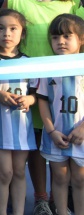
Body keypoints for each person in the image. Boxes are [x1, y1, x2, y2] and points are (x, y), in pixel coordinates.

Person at [6, 0, 81, 215]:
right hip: (26, 85)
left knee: (68, 144)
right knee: (36, 144)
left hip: (66, 87)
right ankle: (41, 198)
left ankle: (71, 199)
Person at [0, 9, 37, 215]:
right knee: (4, 173)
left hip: (22, 127)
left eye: (13, 28)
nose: (7, 33)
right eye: (1, 28)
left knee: (18, 172)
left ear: (22, 33)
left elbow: (37, 93)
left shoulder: (29, 62)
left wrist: (30, 99)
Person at [37, 14, 84, 215]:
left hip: (81, 135)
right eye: (55, 37)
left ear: (81, 39)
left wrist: (82, 128)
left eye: (67, 36)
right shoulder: (46, 67)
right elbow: (42, 101)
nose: (61, 42)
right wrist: (51, 131)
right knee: (60, 178)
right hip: (56, 135)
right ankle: (62, 212)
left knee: (80, 179)